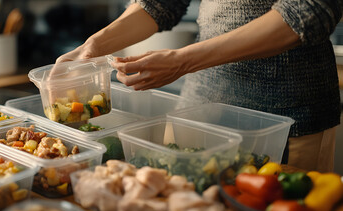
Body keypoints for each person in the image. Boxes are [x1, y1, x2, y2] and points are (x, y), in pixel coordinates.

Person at [56, 0, 343, 172]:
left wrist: (183, 61)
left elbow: (309, 10)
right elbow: (162, 4)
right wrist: (94, 46)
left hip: (283, 118)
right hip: (198, 110)